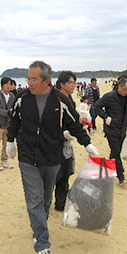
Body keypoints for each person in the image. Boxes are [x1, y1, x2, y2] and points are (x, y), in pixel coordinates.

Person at [6, 61, 99, 254]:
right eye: (28, 78)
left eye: (33, 79)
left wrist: (87, 144)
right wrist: (10, 141)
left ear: (47, 81)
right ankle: (42, 246)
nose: (29, 83)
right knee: (34, 199)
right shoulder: (22, 98)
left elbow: (74, 123)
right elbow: (14, 119)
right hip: (28, 157)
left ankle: (38, 227)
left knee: (46, 198)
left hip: (52, 157)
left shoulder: (59, 100)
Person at [95, 76, 127, 185]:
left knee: (115, 151)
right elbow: (96, 107)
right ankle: (121, 175)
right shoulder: (109, 96)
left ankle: (106, 170)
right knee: (116, 150)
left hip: (123, 128)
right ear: (119, 86)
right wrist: (106, 117)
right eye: (125, 90)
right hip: (111, 129)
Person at [54, 71, 77, 211]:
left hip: (67, 144)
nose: (73, 85)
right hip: (54, 143)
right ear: (61, 84)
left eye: (74, 82)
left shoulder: (71, 101)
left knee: (66, 172)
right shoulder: (55, 99)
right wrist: (63, 132)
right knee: (55, 174)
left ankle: (60, 203)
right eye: (70, 82)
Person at [0, 77, 15, 171]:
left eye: (10, 84)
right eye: (7, 84)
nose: (9, 86)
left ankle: (4, 160)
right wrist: (8, 112)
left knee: (6, 144)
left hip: (8, 124)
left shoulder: (12, 96)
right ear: (2, 85)